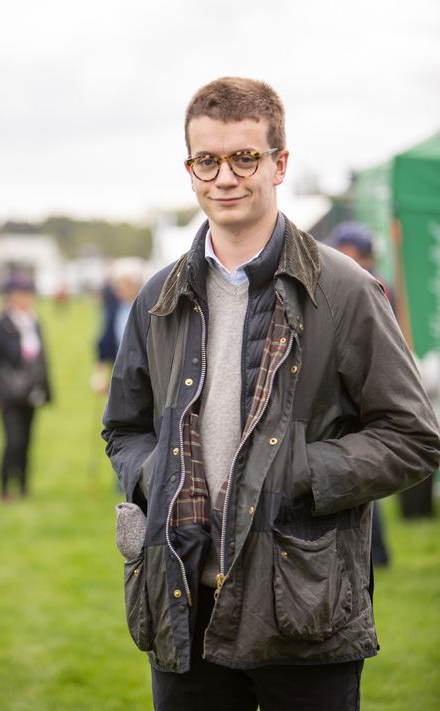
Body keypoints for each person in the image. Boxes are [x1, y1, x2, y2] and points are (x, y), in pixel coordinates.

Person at [102, 77, 440, 711]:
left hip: (303, 612)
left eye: (244, 157)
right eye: (207, 159)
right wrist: (159, 477)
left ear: (280, 164)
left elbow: (413, 437)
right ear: (190, 168)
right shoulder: (157, 298)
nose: (224, 177)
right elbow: (122, 427)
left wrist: (299, 470)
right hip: (184, 603)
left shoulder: (345, 292)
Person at [325, 221, 392, 566]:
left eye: (345, 249)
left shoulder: (370, 286)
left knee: (362, 480)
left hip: (363, 394)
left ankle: (375, 554)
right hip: (345, 391)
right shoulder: (344, 281)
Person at [0, 274, 52, 500]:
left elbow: (42, 359)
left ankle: (22, 485)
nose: (25, 298)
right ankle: (4, 487)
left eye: (28, 293)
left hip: (31, 392)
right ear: (11, 297)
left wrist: (47, 389)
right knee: (13, 440)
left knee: (28, 441)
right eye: (20, 294)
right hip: (8, 393)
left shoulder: (34, 322)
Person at [91, 258, 145, 395]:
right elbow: (106, 339)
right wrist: (100, 373)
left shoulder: (147, 306)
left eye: (121, 285)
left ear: (134, 284)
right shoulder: (115, 306)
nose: (117, 290)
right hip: (121, 369)